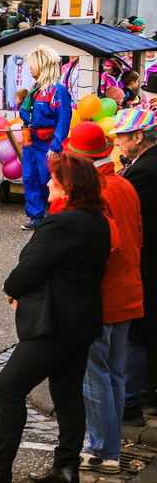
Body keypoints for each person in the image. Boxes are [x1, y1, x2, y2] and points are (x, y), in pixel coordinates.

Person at [0, 154, 110, 483]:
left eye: (54, 180)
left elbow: (30, 268)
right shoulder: (97, 219)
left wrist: (12, 288)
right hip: (82, 322)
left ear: (68, 188)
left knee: (7, 387)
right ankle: (66, 468)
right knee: (67, 395)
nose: (48, 183)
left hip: (54, 324)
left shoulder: (62, 223)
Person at [60, 123, 143, 475]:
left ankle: (102, 449)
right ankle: (107, 446)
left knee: (96, 376)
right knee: (114, 374)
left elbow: (85, 252)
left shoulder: (92, 193)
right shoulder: (125, 183)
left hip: (102, 296)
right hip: (128, 289)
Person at [111, 109, 157, 426]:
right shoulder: (144, 164)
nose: (117, 143)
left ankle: (131, 403)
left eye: (121, 137)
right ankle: (147, 391)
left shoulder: (145, 170)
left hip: (147, 260)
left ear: (138, 137)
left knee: (137, 334)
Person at [18, 45, 72, 231]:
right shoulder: (35, 88)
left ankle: (55, 216)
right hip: (31, 141)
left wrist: (56, 146)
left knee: (46, 179)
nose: (30, 68)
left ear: (43, 65)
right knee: (29, 178)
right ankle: (36, 217)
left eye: (33, 65)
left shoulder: (59, 91)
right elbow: (24, 112)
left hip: (47, 143)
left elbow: (63, 121)